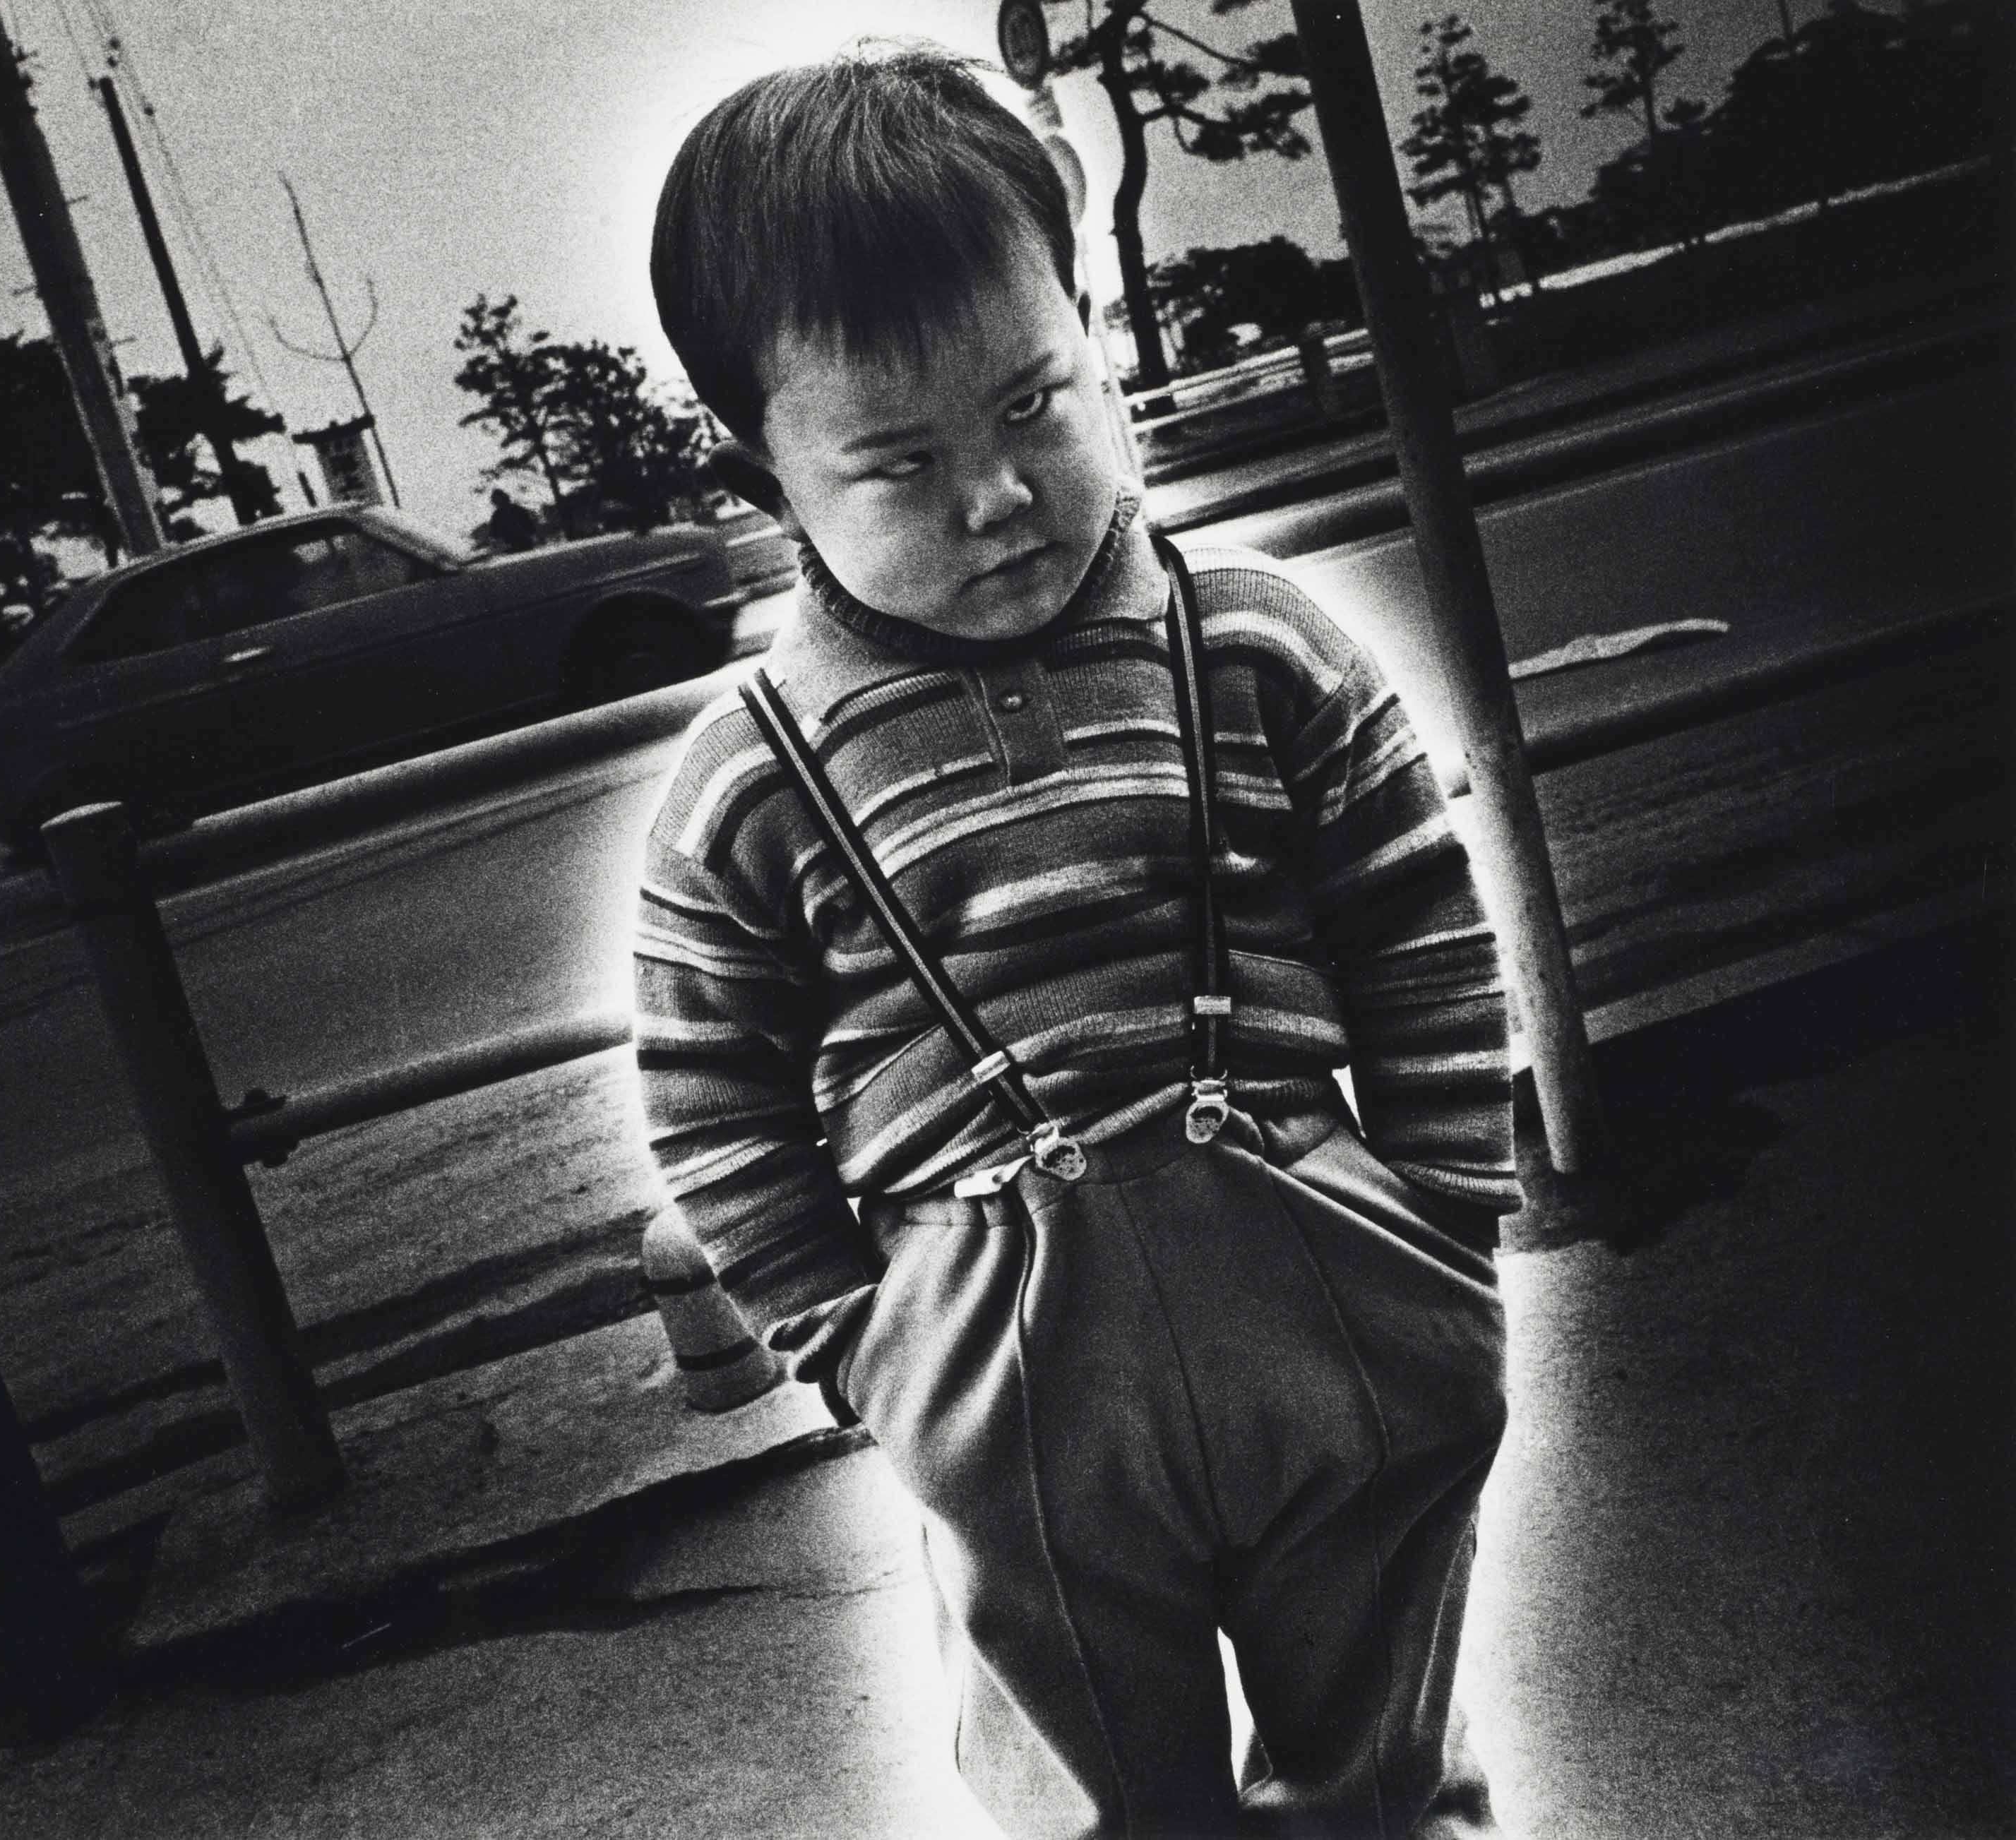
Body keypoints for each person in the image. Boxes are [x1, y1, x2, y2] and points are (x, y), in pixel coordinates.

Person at [635, 44, 1519, 1839]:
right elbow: (710, 1088)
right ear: (768, 473)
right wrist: (862, 1340)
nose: (997, 496)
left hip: (1328, 1286)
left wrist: (1441, 1206)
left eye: (1035, 403)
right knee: (1096, 1798)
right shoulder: (753, 780)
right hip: (1003, 1359)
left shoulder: (1256, 642)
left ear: (1093, 334)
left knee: (1385, 1777)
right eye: (899, 463)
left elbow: (1413, 916)